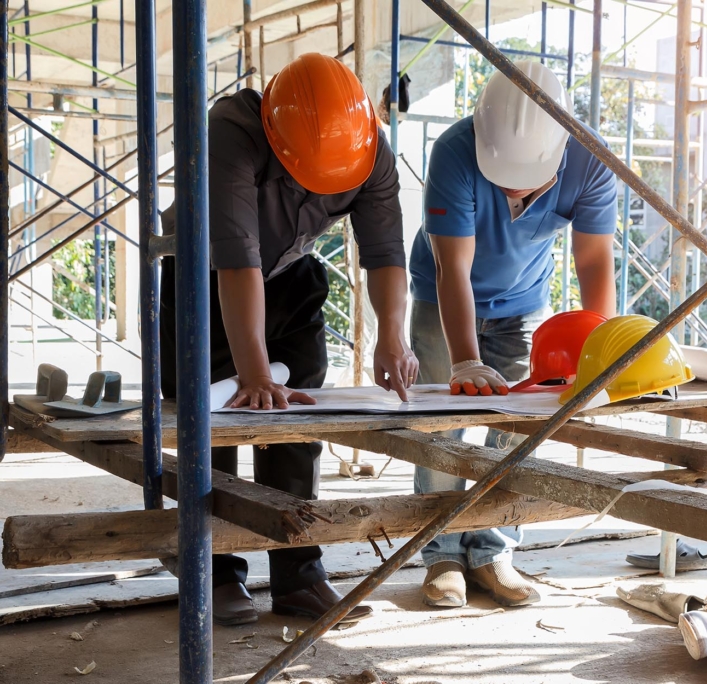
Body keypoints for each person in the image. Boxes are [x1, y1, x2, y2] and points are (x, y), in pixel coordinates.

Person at [159, 53, 418, 626]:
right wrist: (252, 373)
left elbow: (384, 255)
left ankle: (298, 573)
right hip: (203, 274)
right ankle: (215, 572)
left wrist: (392, 339)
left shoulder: (369, 147)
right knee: (214, 424)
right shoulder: (231, 130)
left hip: (289, 272)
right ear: (278, 137)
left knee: (298, 420)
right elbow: (235, 259)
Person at [408, 60, 618, 608]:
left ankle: (493, 551)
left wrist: (600, 355)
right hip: (441, 298)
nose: (515, 190)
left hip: (524, 302)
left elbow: (593, 261)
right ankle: (442, 557)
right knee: (440, 429)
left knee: (519, 429)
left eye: (529, 180)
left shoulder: (591, 161)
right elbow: (453, 267)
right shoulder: (455, 150)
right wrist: (464, 362)